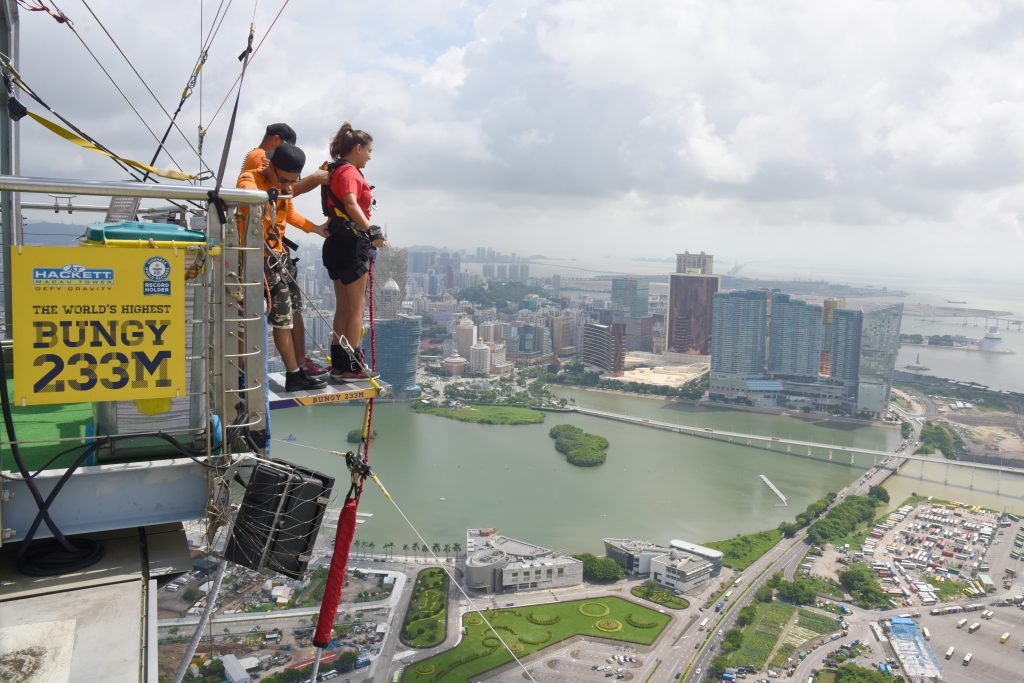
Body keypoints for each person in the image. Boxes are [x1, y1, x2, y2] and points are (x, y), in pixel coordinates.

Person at [237, 142, 330, 392]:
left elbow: (289, 214)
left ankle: (297, 369)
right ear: (271, 166)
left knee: (293, 312)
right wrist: (266, 193)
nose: (285, 185)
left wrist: (315, 228)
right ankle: (293, 374)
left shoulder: (283, 188)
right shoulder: (251, 178)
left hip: (279, 256)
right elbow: (245, 192)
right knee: (282, 320)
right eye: (282, 179)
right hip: (262, 259)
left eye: (291, 181)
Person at [321, 122, 386, 381]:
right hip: (351, 244)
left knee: (344, 308)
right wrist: (372, 230)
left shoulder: (336, 170)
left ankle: (339, 363)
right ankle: (352, 365)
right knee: (355, 308)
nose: (370, 156)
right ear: (357, 148)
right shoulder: (349, 172)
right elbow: (349, 202)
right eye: (369, 151)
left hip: (337, 241)